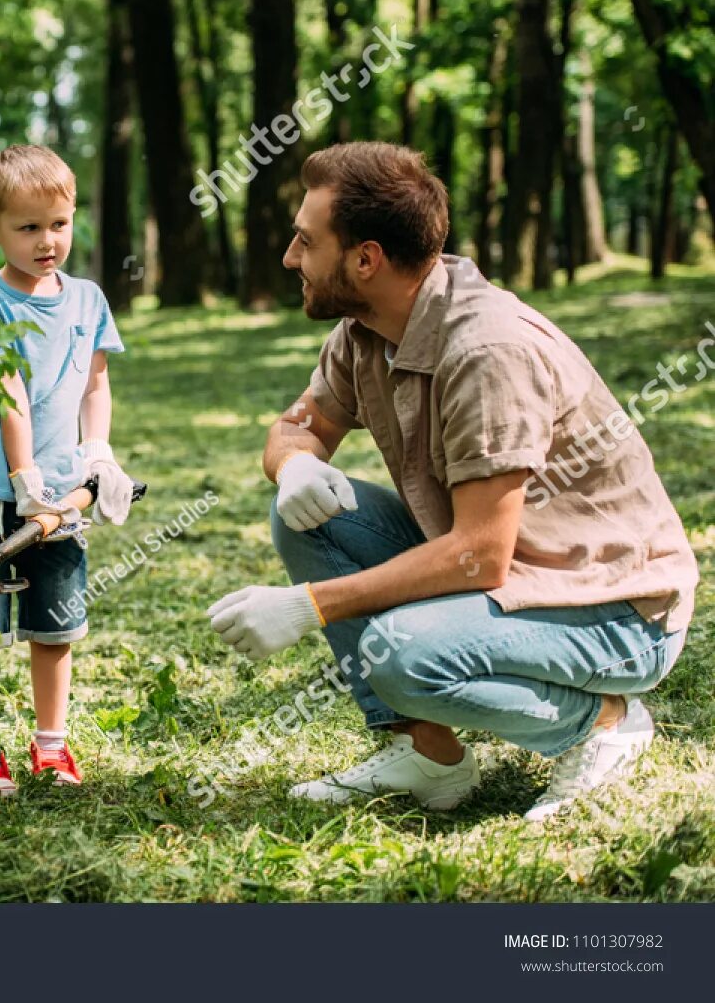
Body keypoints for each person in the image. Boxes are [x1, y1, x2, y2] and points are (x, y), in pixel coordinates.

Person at [206, 142, 697, 820]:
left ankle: (604, 721)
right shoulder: (365, 326)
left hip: (615, 610)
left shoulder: (488, 350)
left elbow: (478, 554)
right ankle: (428, 753)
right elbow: (299, 425)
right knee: (301, 515)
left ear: (365, 259)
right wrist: (293, 464)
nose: (291, 258)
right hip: (515, 570)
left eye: (304, 241)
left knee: (400, 656)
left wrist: (309, 604)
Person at [0, 144, 133, 797]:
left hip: (59, 492)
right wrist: (26, 486)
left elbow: (95, 383)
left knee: (58, 623)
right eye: (28, 228)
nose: (48, 241)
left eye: (59, 224)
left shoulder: (87, 299)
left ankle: (51, 744)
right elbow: (7, 394)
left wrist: (97, 452)